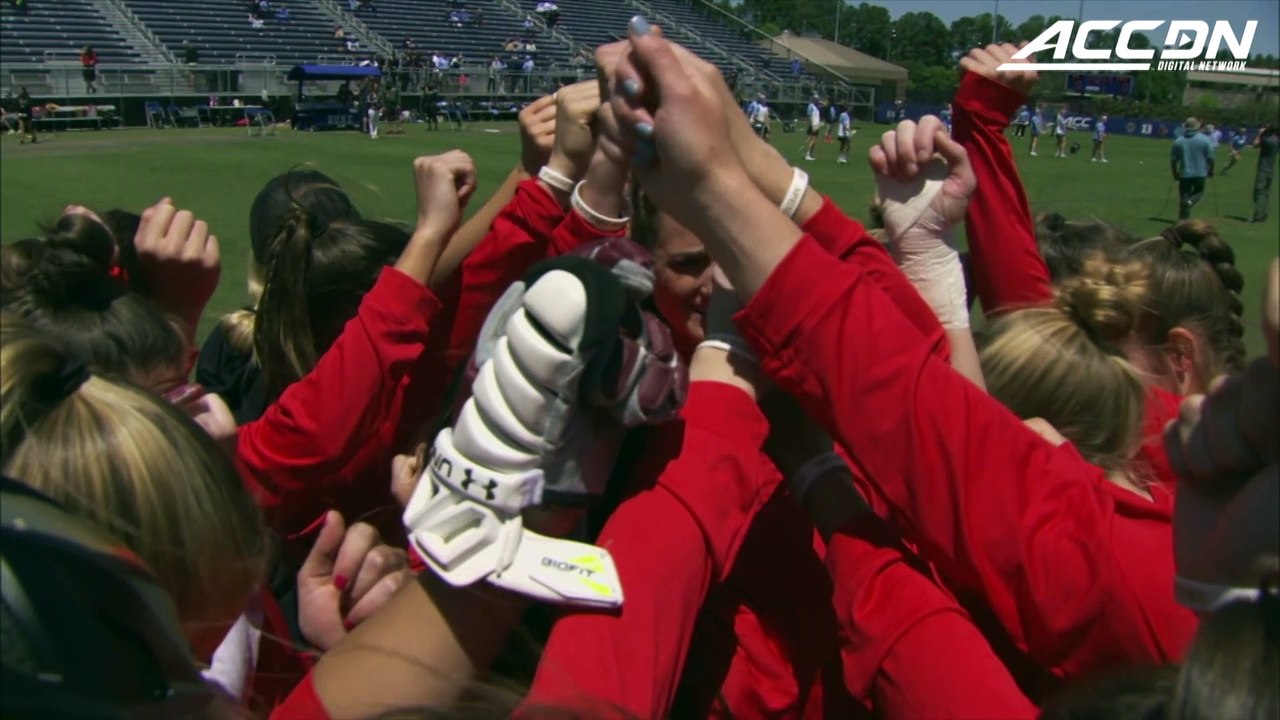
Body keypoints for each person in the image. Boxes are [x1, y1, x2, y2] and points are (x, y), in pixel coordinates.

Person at [1172, 117, 1216, 220]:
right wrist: (1211, 169)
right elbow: (1211, 157)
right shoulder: (1205, 140)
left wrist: (1174, 172)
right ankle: (1189, 203)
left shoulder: (1179, 141)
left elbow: (1174, 160)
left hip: (1185, 173)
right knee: (1199, 193)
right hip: (1200, 173)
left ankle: (1182, 220)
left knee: (1184, 195)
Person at [1252, 125, 1279, 223]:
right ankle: (1263, 215)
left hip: (1263, 168)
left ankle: (1257, 216)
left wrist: (1260, 133)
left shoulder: (1267, 140)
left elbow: (1255, 144)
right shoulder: (1276, 140)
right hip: (1271, 170)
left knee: (1258, 192)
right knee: (1265, 193)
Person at [803, 94, 821, 161]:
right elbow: (809, 116)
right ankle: (807, 154)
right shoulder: (811, 106)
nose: (818, 100)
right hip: (813, 125)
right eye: (816, 99)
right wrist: (811, 125)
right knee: (812, 140)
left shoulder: (817, 107)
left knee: (815, 141)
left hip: (816, 125)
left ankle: (810, 154)